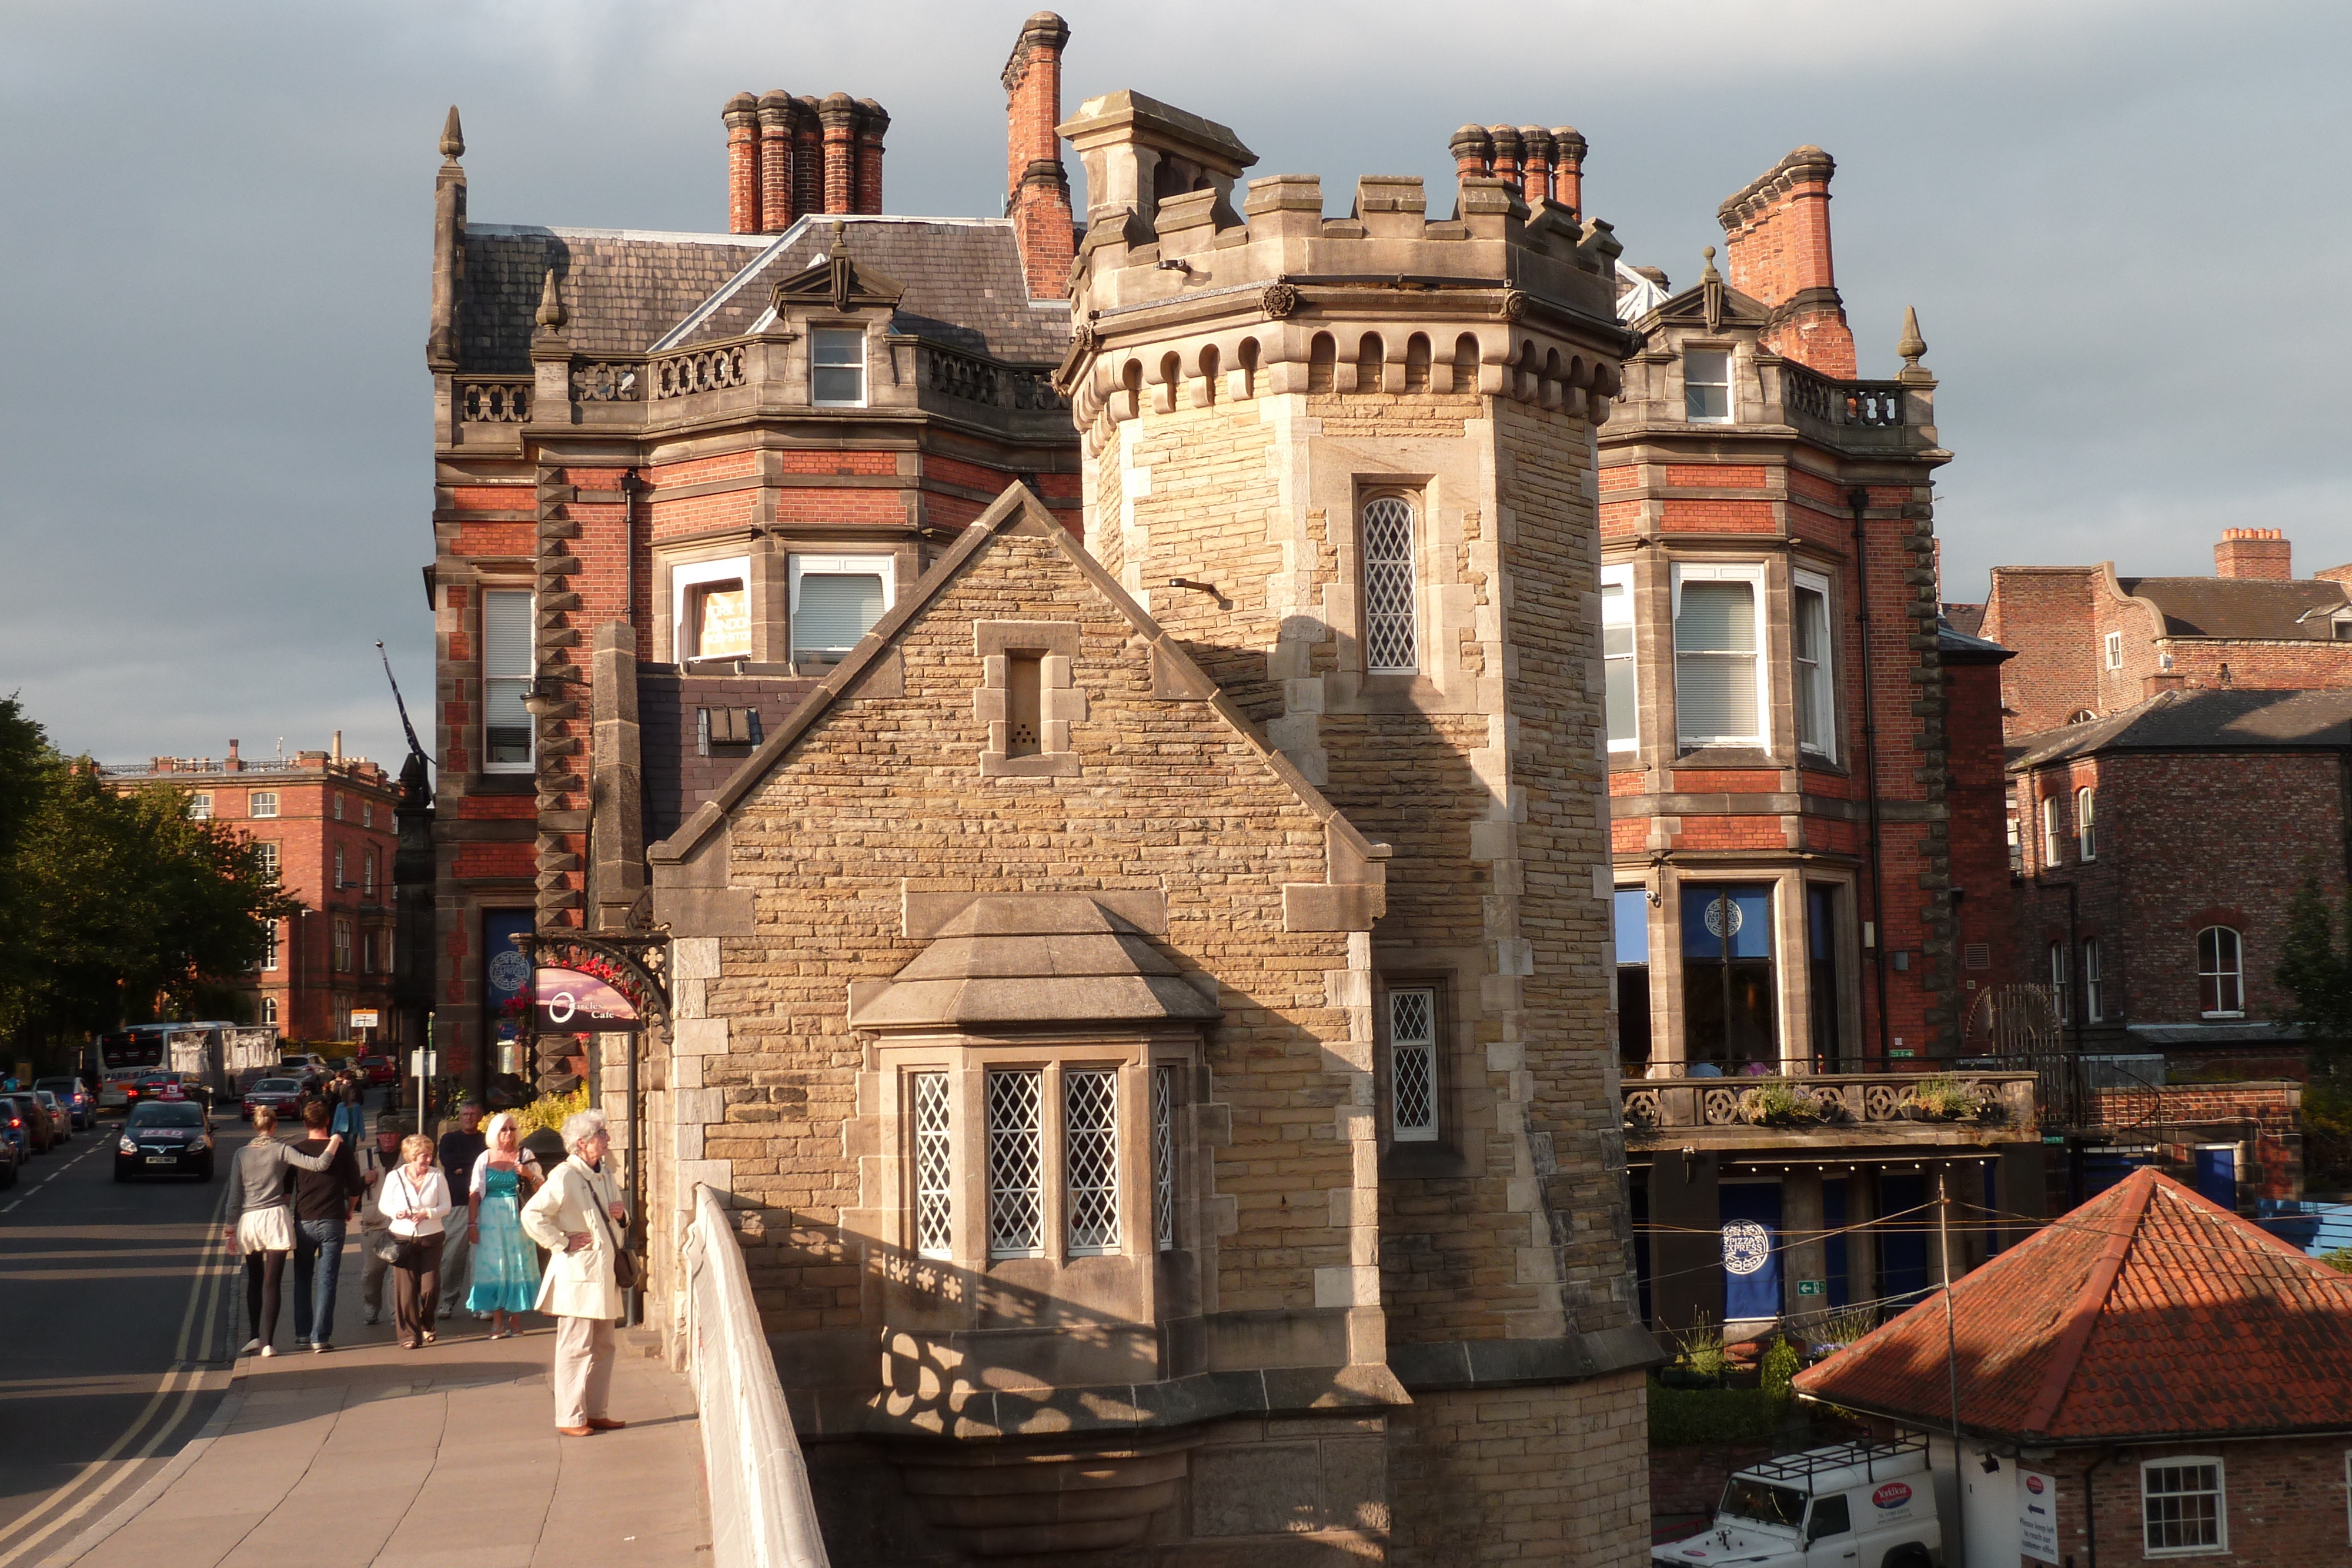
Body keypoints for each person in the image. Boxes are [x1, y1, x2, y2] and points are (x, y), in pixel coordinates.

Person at [521, 1110, 629, 1436]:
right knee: (575, 1346)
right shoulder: (565, 1176)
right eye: (602, 1134)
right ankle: (570, 1417)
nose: (608, 1139)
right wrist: (561, 1242)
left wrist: (622, 1216)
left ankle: (596, 1412)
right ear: (583, 1143)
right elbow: (532, 1215)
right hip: (579, 1275)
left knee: (604, 1345)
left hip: (603, 1273)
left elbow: (619, 1219)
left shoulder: (605, 1173)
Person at [222, 1106, 342, 1357]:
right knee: (272, 1283)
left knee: (254, 1279)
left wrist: (230, 1228)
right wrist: (334, 1142)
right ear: (274, 1126)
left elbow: (235, 1196)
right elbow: (318, 1165)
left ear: (255, 1126)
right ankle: (268, 1343)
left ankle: (254, 1337)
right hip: (275, 1218)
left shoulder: (241, 1154)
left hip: (250, 1220)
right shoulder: (282, 1150)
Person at [288, 1099, 364, 1353]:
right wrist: (349, 1211)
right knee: (327, 1280)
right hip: (333, 1220)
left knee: (302, 1278)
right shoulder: (341, 1151)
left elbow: (287, 1193)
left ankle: (301, 1334)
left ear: (305, 1122)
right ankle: (320, 1337)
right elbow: (355, 1188)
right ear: (328, 1121)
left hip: (304, 1221)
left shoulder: (296, 1150)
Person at [465, 1112, 544, 1338]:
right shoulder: (484, 1158)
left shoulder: (526, 1154)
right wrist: (472, 1224)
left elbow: (543, 1188)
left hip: (518, 1217)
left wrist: (529, 1175)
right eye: (503, 1129)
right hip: (490, 1218)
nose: (509, 1133)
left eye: (511, 1129)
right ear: (495, 1133)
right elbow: (474, 1193)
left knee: (518, 1265)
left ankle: (516, 1322)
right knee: (495, 1267)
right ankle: (497, 1323)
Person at [380, 1132, 452, 1349]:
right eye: (423, 1155)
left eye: (429, 1155)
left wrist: (428, 1214)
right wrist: (398, 1213)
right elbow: (384, 1205)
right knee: (406, 1289)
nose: (427, 1159)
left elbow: (446, 1207)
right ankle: (408, 1336)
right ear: (412, 1156)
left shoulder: (437, 1176)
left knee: (430, 1288)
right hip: (402, 1238)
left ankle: (427, 1322)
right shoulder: (395, 1177)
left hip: (431, 1237)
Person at [435, 1102, 487, 1320]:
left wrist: (463, 1169)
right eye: (465, 1114)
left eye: (473, 1114)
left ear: (480, 1117)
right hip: (457, 1204)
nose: (469, 1118)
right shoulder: (449, 1140)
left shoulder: (487, 1141)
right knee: (452, 1258)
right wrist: (474, 1167)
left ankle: (480, 1303)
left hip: (484, 1205)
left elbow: (487, 1168)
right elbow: (449, 1164)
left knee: (480, 1258)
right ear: (459, 1116)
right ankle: (447, 1301)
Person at [356, 1115, 405, 1325]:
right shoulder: (364, 1157)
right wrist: (363, 1181)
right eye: (383, 1133)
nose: (387, 1137)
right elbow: (349, 1191)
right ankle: (371, 1306)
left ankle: (397, 1314)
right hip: (373, 1223)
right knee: (371, 1274)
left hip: (400, 1224)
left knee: (398, 1273)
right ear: (377, 1136)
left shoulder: (408, 1158)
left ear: (399, 1136)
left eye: (391, 1133)